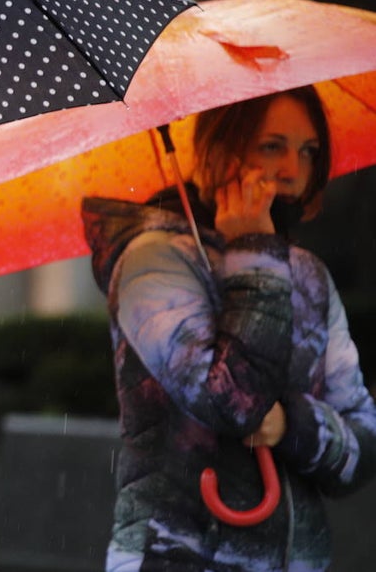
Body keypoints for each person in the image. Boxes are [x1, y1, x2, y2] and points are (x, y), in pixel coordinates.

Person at [82, 87, 376, 571]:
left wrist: (292, 426)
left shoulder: (308, 275)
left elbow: (360, 447)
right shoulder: (152, 262)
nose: (292, 169)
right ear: (218, 149)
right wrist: (254, 253)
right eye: (271, 146)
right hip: (174, 556)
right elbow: (229, 402)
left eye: (307, 151)